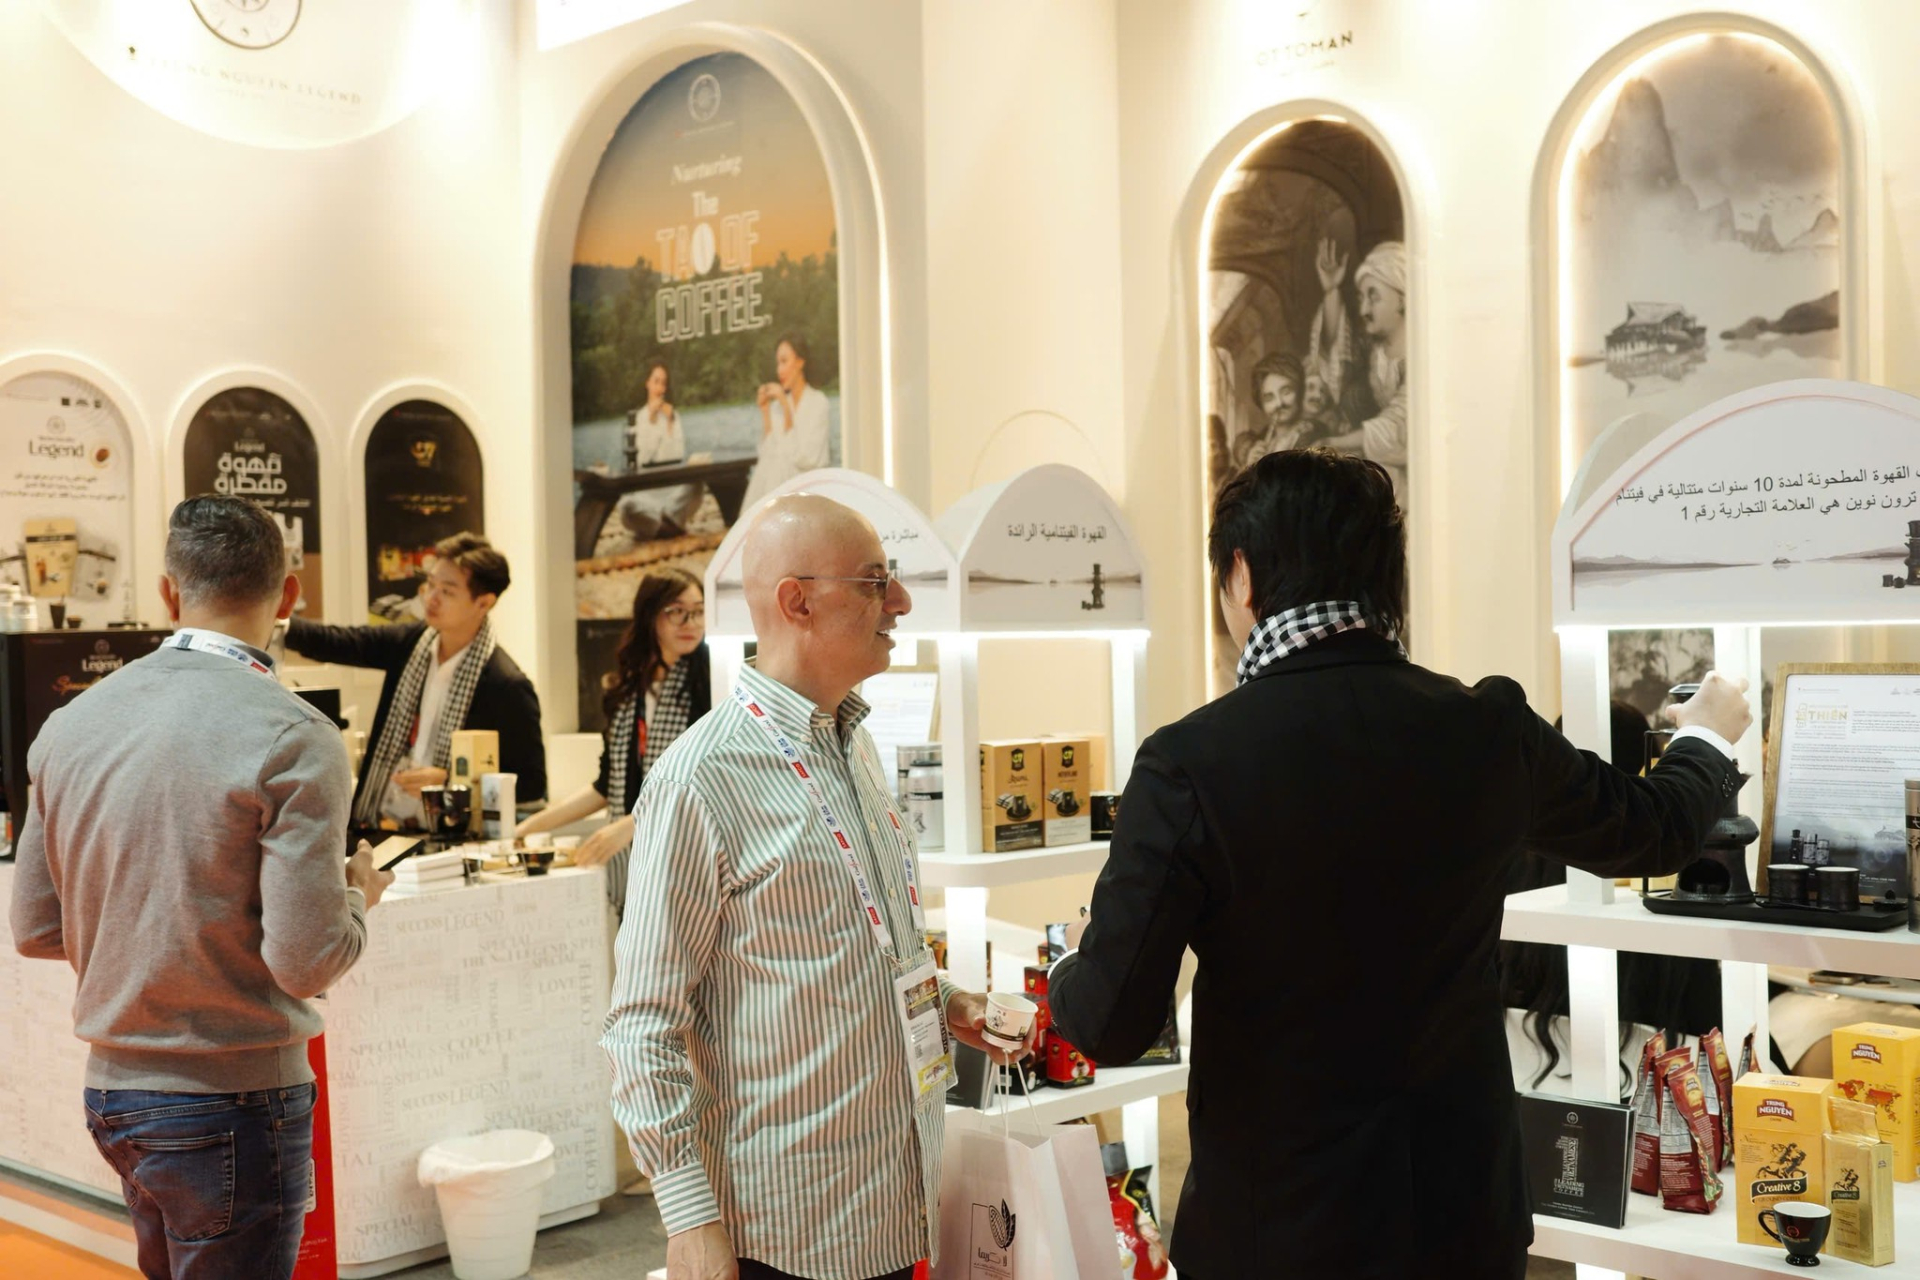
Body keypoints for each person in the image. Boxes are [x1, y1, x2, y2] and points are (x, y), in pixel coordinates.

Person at [1046, 450, 1751, 1279]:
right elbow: (1654, 831)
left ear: (1241, 576)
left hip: (1280, 1233)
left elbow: (1111, 1022)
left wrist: (1073, 960)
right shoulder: (1487, 729)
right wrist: (1705, 736)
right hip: (1462, 1223)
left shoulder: (1190, 763)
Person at [603, 494, 1018, 1280]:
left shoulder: (853, 746)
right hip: (787, 1232)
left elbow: (851, 948)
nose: (900, 601)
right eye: (874, 582)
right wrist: (689, 1218)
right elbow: (642, 1024)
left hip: (895, 1203)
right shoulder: (701, 780)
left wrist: (947, 1002)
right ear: (797, 601)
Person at [9, 495, 393, 1280]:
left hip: (114, 1094)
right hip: (234, 1098)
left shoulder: (71, 724)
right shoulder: (294, 734)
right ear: (288, 596)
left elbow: (36, 928)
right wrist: (358, 896)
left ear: (167, 591)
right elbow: (307, 961)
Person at [1500, 699, 1725, 1091]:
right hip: (1653, 1080)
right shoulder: (1665, 860)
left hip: (1524, 1077)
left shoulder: (1510, 854)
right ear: (1646, 760)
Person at [283, 531, 546, 835]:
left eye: (447, 591)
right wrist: (272, 614)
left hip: (451, 837)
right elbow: (335, 641)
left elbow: (531, 785)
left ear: (483, 603)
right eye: (430, 585)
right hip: (380, 826)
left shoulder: (506, 684)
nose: (431, 598)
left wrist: (451, 781)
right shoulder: (411, 643)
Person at [518, 566, 711, 912]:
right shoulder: (629, 689)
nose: (691, 623)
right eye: (676, 611)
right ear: (650, 616)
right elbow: (609, 784)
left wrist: (633, 825)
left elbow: (706, 785)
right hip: (637, 868)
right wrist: (533, 825)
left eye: (698, 611)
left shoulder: (710, 683)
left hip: (691, 864)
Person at [1310, 238, 1410, 501]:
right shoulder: (1372, 351)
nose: (1364, 309)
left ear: (1402, 299)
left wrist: (1336, 444)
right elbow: (1338, 365)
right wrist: (1331, 291)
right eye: (1361, 297)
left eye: (1373, 297)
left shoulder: (1421, 355)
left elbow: (1399, 424)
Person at [617, 359, 705, 541]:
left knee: (697, 485)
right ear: (647, 383)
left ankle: (661, 525)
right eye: (656, 382)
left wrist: (670, 424)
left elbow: (677, 455)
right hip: (647, 495)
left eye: (663, 383)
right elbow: (642, 459)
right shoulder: (638, 419)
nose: (660, 388)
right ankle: (671, 525)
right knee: (626, 507)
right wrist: (651, 419)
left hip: (673, 493)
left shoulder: (673, 416)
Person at [740, 333, 830, 510]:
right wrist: (765, 411)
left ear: (800, 362)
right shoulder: (777, 407)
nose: (779, 370)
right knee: (772, 463)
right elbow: (767, 453)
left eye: (784, 361)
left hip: (808, 483)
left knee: (778, 465)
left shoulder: (818, 402)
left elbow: (808, 458)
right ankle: (758, 516)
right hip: (779, 483)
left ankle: (762, 514)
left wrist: (786, 407)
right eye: (777, 363)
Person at [1233, 351, 1307, 470]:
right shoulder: (1261, 442)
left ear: (1299, 391)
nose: (1279, 403)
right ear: (1261, 404)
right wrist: (1251, 467)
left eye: (1286, 392)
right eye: (1269, 398)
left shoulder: (1312, 437)